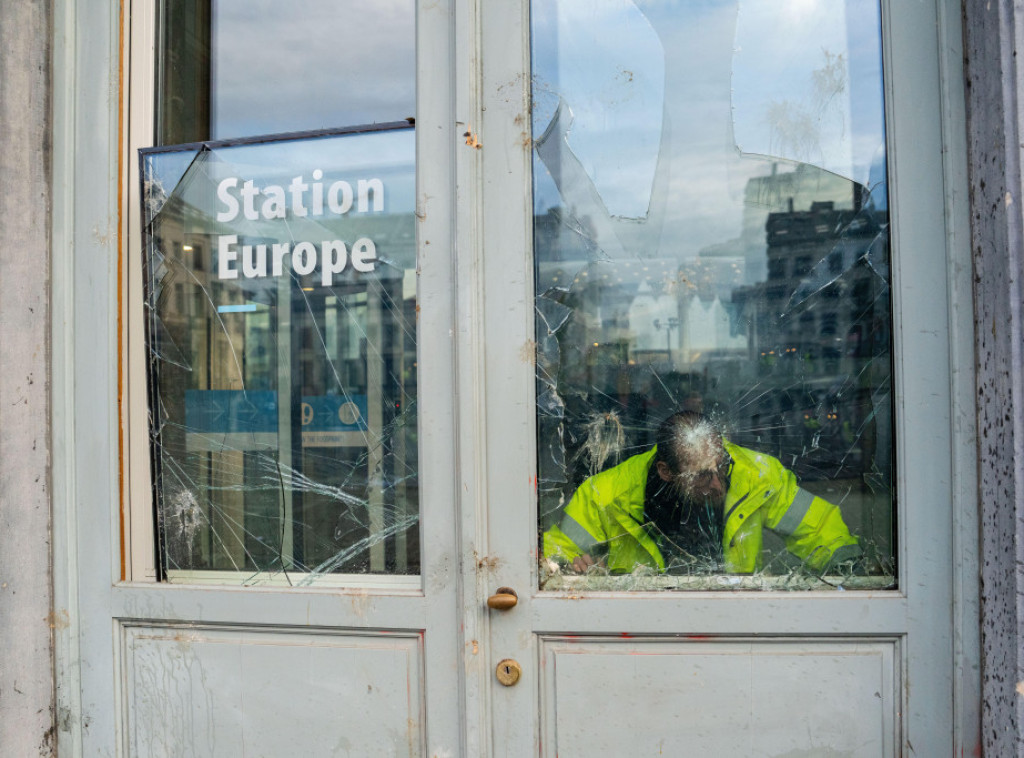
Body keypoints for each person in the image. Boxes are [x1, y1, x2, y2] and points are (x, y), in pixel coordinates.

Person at [543, 411, 862, 575]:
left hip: (735, 616)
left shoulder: (759, 476)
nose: (718, 484)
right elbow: (556, 553)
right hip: (643, 624)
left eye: (722, 468)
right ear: (665, 471)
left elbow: (821, 529)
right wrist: (568, 568)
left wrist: (852, 571)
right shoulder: (606, 494)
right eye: (702, 476)